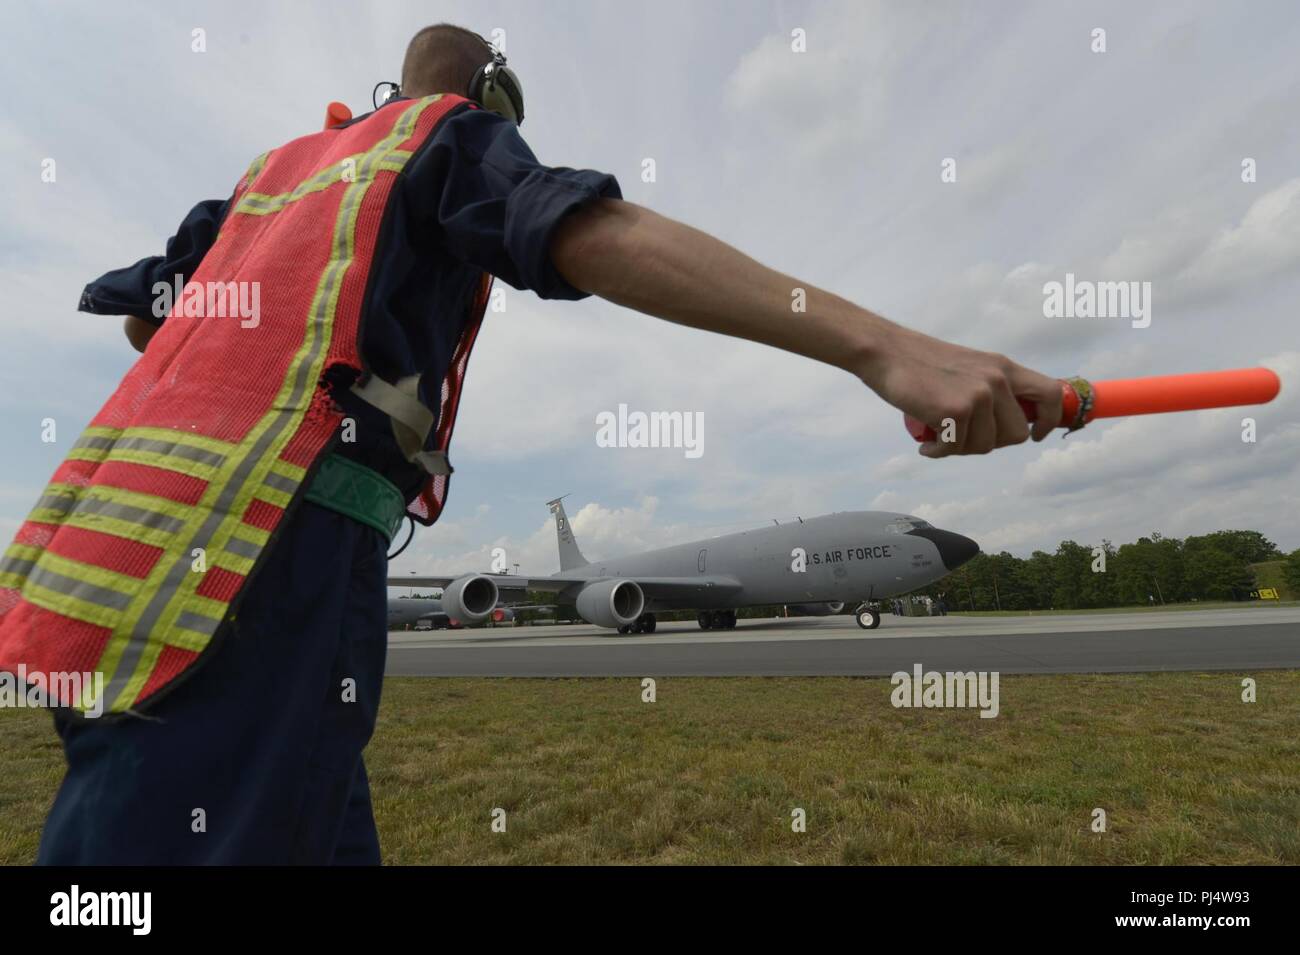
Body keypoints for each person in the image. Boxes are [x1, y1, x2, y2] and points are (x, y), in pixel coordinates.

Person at [0, 23, 1063, 865]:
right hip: (264, 541)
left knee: (286, 809)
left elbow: (148, 318)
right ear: (487, 97)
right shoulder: (441, 138)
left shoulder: (266, 179)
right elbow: (587, 231)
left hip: (110, 542)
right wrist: (884, 348)